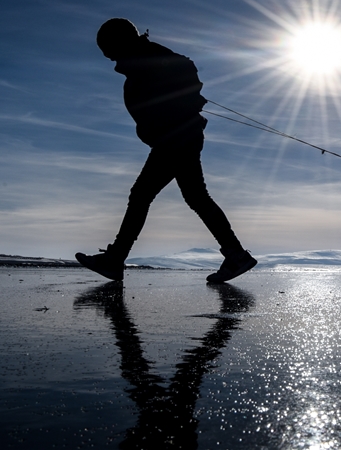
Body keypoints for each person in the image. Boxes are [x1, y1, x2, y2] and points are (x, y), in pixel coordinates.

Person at [76, 18, 256, 283]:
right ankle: (236, 255)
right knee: (195, 197)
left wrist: (182, 105)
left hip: (176, 139)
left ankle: (115, 259)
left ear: (118, 42)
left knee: (141, 195)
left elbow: (185, 69)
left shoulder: (148, 57)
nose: (109, 57)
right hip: (179, 137)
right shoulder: (141, 60)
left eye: (109, 49)